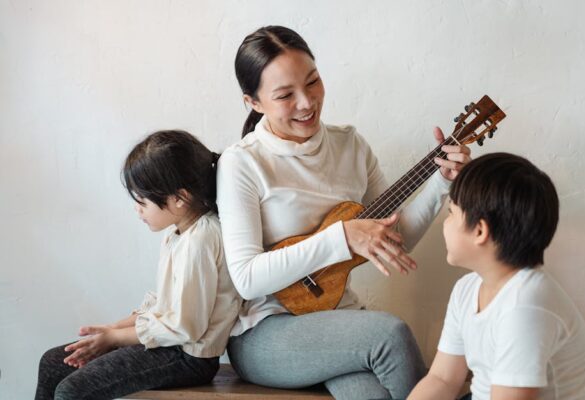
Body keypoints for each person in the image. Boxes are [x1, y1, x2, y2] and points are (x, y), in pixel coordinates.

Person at [216, 25, 471, 400]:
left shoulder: (349, 145)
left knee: (373, 394)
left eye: (313, 82)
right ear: (253, 102)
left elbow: (395, 238)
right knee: (389, 334)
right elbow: (247, 279)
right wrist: (343, 237)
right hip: (265, 333)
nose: (307, 103)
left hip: (338, 320)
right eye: (285, 95)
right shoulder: (242, 163)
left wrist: (442, 183)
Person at [35, 130, 241, 400]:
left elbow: (184, 327)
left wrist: (115, 339)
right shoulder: (178, 232)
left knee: (71, 391)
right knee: (53, 362)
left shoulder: (202, 240)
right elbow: (164, 305)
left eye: (142, 202)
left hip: (188, 358)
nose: (138, 210)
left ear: (179, 198)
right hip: (170, 345)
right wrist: (111, 329)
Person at [407, 153, 585, 400]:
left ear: (479, 231)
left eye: (451, 213)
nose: (445, 223)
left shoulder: (525, 306)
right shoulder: (467, 289)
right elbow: (442, 379)